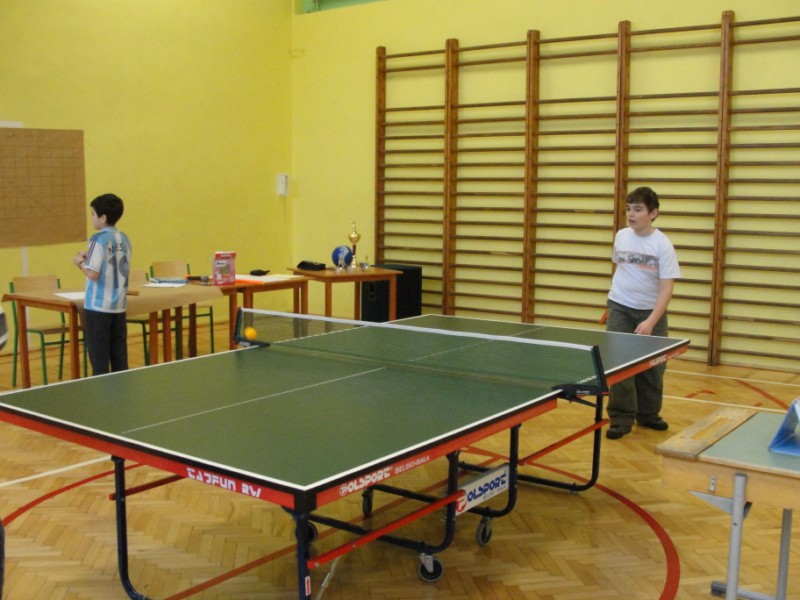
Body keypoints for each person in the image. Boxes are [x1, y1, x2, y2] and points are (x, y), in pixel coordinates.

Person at [605, 186, 681, 440]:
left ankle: (648, 415)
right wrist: (614, 303)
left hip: (651, 311)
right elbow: (621, 269)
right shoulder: (621, 236)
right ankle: (620, 418)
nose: (631, 214)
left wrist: (650, 321)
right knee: (620, 364)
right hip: (620, 306)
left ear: (653, 213)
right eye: (628, 209)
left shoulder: (663, 245)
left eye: (638, 209)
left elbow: (667, 288)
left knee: (653, 366)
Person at [73, 193, 132, 375]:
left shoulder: (97, 239)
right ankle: (122, 390)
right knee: (119, 356)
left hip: (98, 307)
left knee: (99, 358)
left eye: (93, 214)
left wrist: (80, 262)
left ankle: (101, 390)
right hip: (119, 306)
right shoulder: (124, 239)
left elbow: (93, 273)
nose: (91, 217)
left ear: (103, 217)